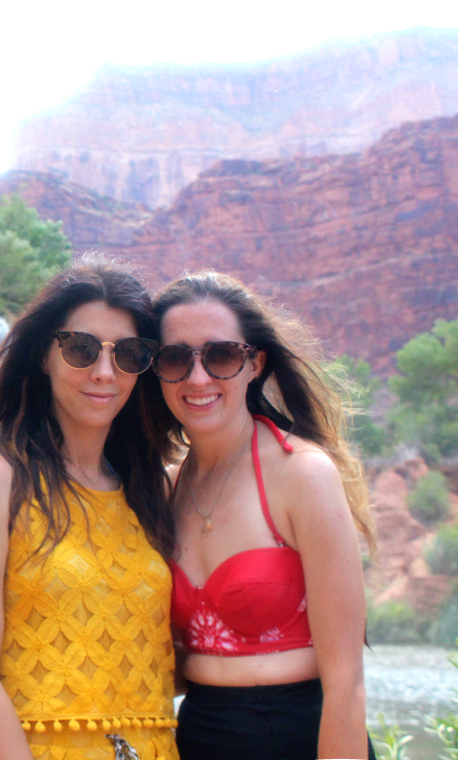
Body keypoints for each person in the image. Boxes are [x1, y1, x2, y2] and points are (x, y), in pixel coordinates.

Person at [0, 257, 180, 760]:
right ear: (43, 356)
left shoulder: (152, 492)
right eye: (81, 348)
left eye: (128, 354)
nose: (104, 371)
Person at [151, 272, 375, 760]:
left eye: (222, 355)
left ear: (255, 363)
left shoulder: (302, 475)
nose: (198, 377)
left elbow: (347, 683)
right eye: (175, 358)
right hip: (194, 737)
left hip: (299, 735)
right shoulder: (164, 489)